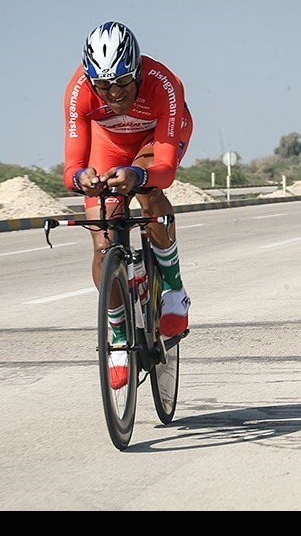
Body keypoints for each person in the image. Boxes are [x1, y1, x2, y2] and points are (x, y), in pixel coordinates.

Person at [62, 21, 193, 376]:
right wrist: (81, 178)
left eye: (122, 82)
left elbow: (165, 169)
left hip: (157, 139)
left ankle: (174, 290)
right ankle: (118, 335)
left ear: (137, 71)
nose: (114, 93)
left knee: (148, 193)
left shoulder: (164, 84)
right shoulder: (79, 91)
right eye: (104, 85)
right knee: (102, 239)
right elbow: (72, 165)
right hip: (109, 144)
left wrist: (139, 175)